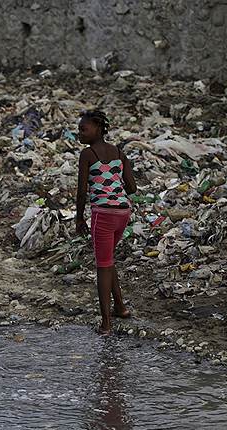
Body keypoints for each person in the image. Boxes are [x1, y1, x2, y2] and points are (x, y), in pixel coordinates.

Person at [75, 110, 137, 335]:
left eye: (84, 129)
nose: (79, 133)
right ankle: (120, 308)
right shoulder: (119, 153)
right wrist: (113, 184)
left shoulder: (88, 154)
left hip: (103, 214)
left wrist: (79, 217)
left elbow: (82, 191)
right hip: (123, 212)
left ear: (98, 129)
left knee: (102, 266)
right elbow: (132, 187)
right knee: (108, 259)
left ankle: (106, 324)